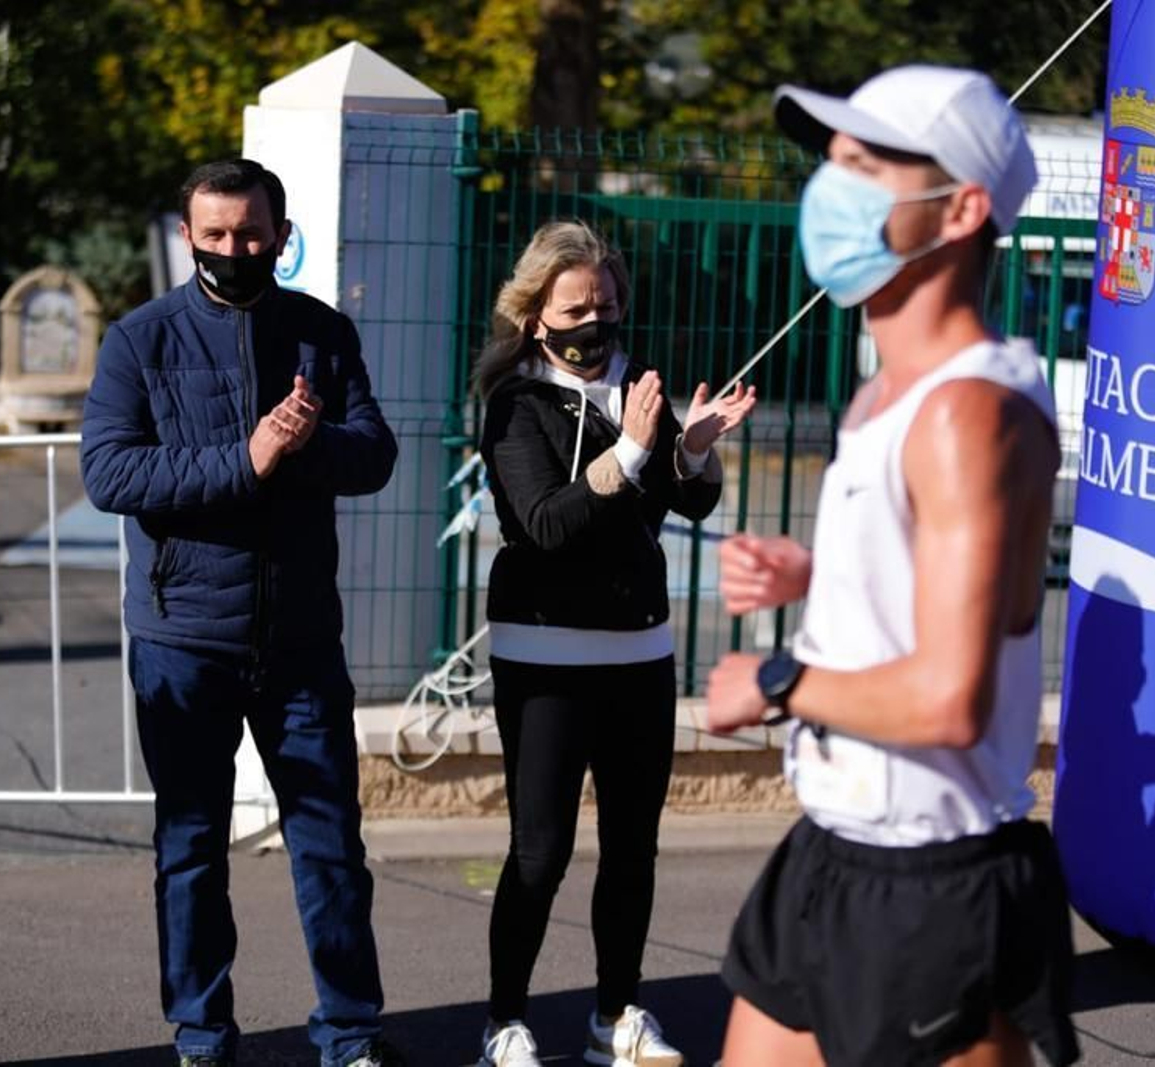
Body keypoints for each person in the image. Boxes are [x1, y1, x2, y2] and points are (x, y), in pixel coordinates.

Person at [704, 67, 1079, 1066]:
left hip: (937, 879)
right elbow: (954, 579)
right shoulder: (886, 395)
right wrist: (815, 573)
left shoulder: (969, 413)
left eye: (865, 166)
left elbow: (951, 698)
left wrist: (775, 681)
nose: (829, 188)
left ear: (959, 208)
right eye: (831, 162)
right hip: (831, 853)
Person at [80, 158, 404, 1067]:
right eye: (215, 235)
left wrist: (300, 448)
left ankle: (350, 1033)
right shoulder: (138, 340)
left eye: (251, 234)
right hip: (184, 640)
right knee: (189, 850)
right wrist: (248, 457)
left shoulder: (322, 334)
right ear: (189, 237)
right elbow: (111, 473)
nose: (233, 249)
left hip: (300, 642)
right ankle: (201, 1035)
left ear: (281, 232)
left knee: (332, 846)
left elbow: (374, 452)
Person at [471, 221, 757, 1067]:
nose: (595, 319)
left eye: (606, 301)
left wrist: (694, 446)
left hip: (639, 654)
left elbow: (685, 500)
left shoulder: (638, 385)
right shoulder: (515, 403)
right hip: (546, 653)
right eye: (575, 306)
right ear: (534, 316)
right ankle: (504, 1021)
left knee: (633, 847)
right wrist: (633, 448)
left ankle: (616, 1016)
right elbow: (546, 525)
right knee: (540, 850)